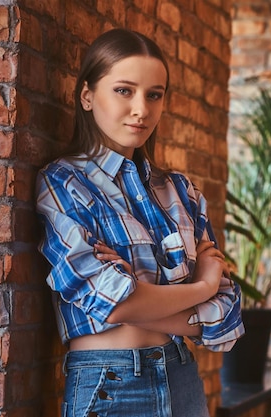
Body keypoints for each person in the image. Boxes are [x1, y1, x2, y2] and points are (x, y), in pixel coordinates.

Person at [35, 28, 244, 417]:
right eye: (123, 91)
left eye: (154, 94)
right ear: (86, 95)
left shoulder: (181, 193)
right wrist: (204, 284)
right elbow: (114, 303)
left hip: (181, 378)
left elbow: (227, 317)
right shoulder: (63, 183)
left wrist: (139, 299)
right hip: (109, 385)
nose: (141, 109)